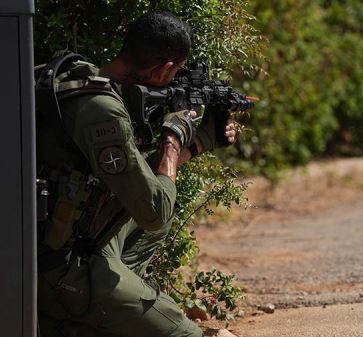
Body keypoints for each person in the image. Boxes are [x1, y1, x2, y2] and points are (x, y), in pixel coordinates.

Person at [36, 12, 233, 337]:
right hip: (60, 268)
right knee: (186, 334)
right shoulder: (103, 111)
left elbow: (141, 183)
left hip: (65, 245)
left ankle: (113, 308)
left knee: (160, 210)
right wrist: (173, 137)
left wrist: (201, 141)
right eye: (175, 73)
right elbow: (153, 210)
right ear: (164, 68)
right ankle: (103, 307)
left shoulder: (79, 84)